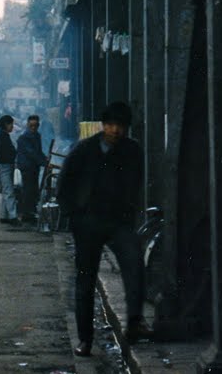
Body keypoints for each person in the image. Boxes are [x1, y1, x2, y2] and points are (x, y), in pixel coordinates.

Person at [56, 101, 151, 357]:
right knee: (85, 280)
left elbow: (137, 182)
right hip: (88, 223)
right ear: (103, 125)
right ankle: (85, 339)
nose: (115, 131)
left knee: (134, 265)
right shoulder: (84, 150)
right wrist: (74, 216)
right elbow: (64, 184)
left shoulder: (132, 151)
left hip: (119, 222)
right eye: (110, 125)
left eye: (120, 126)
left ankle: (134, 322)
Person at [16, 115, 45, 223]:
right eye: (31, 125)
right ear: (28, 125)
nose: (33, 127)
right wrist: (43, 162)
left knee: (33, 190)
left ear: (38, 125)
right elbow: (31, 153)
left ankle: (31, 212)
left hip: (34, 167)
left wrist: (45, 160)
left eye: (35, 125)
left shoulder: (37, 135)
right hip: (27, 167)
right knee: (28, 190)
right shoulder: (24, 137)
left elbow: (38, 151)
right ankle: (26, 214)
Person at [0, 114, 18, 224]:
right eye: (11, 124)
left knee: (6, 191)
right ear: (6, 124)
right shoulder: (2, 136)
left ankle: (4, 215)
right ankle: (13, 216)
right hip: (5, 166)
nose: (12, 126)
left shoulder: (2, 135)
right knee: (9, 192)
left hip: (4, 165)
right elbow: (7, 153)